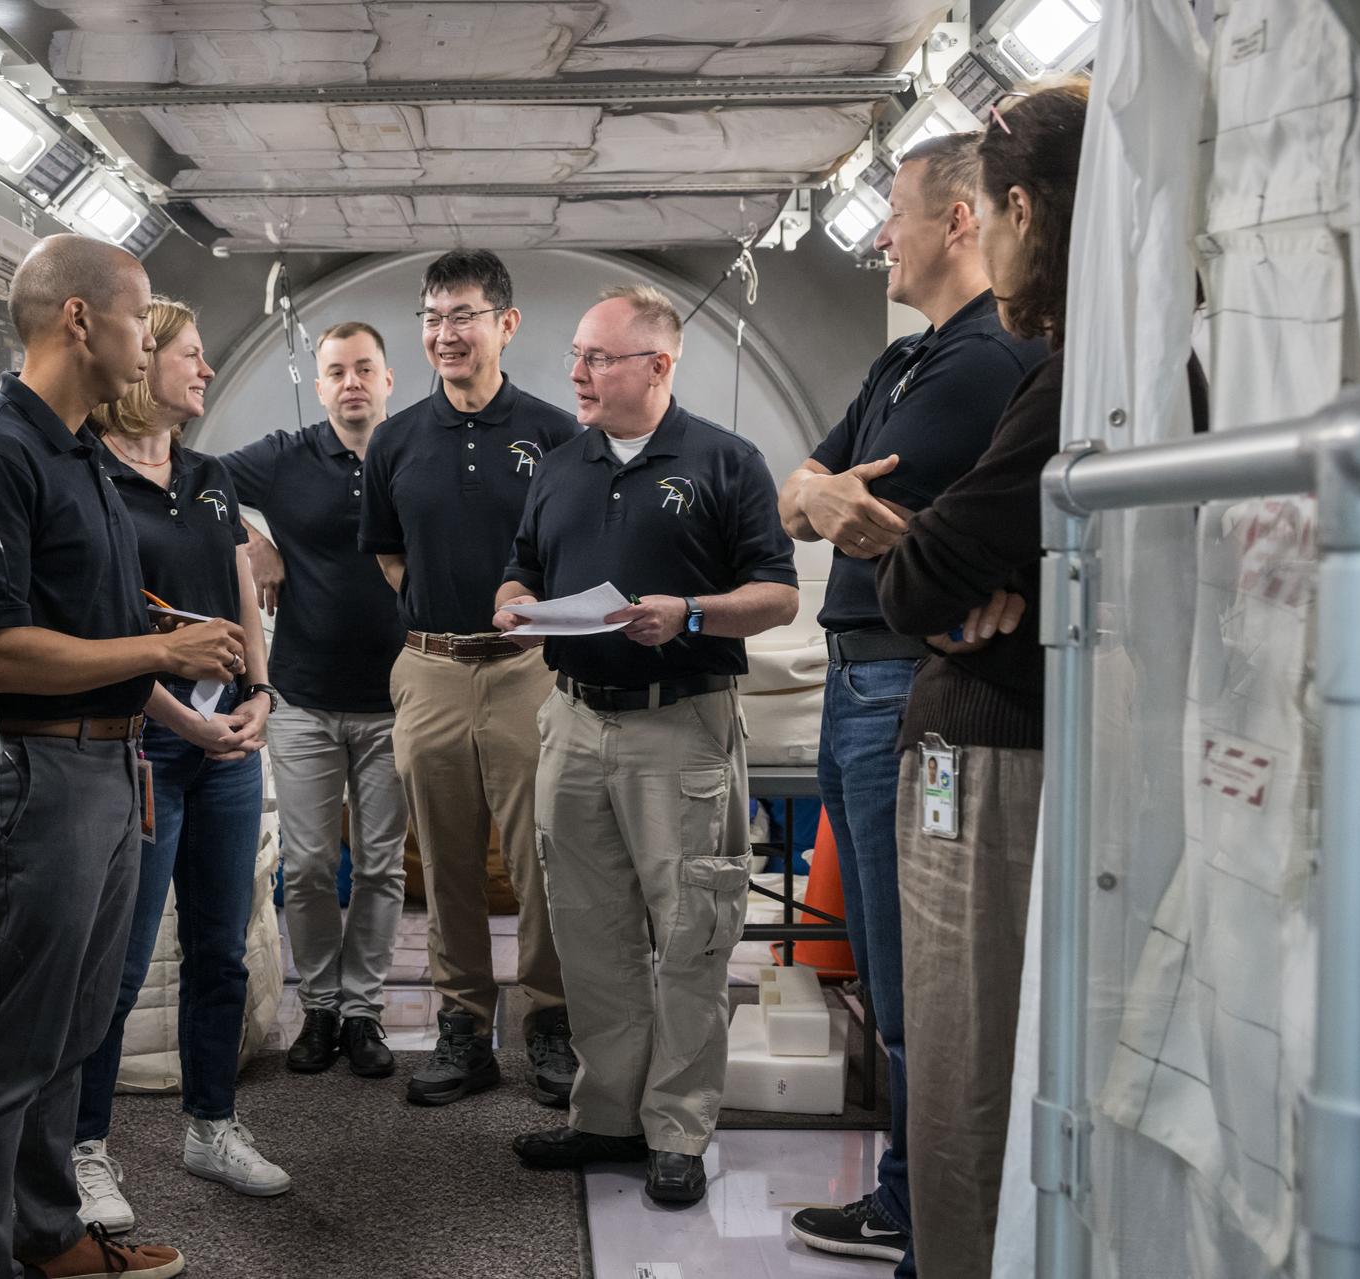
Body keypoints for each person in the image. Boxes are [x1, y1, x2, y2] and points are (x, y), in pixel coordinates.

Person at [879, 81, 1206, 1279]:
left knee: (967, 1062)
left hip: (1000, 756)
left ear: (1019, 211)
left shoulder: (1078, 376)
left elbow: (921, 575)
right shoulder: (1124, 360)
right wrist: (975, 567)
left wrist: (927, 560)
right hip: (1034, 742)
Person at [0, 237, 245, 1279]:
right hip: (36, 775)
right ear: (78, 318)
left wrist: (158, 658)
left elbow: (98, 619)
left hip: (108, 766)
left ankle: (49, 1234)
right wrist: (162, 652)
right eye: (138, 315)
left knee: (69, 1029)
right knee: (9, 1045)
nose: (148, 339)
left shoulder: (77, 453)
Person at [777, 132, 1049, 1270]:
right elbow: (797, 493)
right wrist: (825, 497)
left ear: (962, 220)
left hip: (906, 680)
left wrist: (849, 510)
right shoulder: (904, 361)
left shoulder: (988, 362)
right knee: (888, 956)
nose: (879, 235)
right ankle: (907, 1193)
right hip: (860, 676)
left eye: (894, 212)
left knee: (913, 971)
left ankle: (919, 1204)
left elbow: (923, 543)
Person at [495, 285, 799, 1205]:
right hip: (574, 720)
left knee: (692, 932)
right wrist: (513, 603)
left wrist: (692, 612)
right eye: (576, 356)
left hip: (682, 723)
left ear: (658, 365)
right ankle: (607, 1116)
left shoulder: (724, 460)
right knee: (590, 932)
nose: (577, 373)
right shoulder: (561, 464)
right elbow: (522, 566)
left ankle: (677, 1127)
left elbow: (779, 594)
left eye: (597, 357)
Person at [70, 296, 290, 1230]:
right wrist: (180, 721)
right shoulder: (88, 473)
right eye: (191, 355)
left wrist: (261, 692)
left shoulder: (207, 474)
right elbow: (102, 624)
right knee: (119, 962)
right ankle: (84, 1146)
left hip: (226, 741)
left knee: (220, 947)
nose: (205, 370)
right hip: (146, 738)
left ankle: (212, 1124)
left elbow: (240, 590)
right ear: (143, 360)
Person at [359, 249, 579, 1107]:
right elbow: (388, 554)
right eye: (432, 317)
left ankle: (551, 1019)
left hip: (528, 670)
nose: (444, 333)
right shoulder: (395, 440)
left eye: (463, 316)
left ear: (505, 324)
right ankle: (462, 1024)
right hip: (431, 669)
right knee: (444, 861)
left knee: (541, 858)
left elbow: (574, 552)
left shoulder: (557, 434)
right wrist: (434, 615)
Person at [218, 321, 410, 1079]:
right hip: (302, 698)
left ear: (388, 380)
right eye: (336, 371)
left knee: (382, 866)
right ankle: (321, 1006)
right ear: (320, 384)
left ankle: (363, 1010)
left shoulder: (414, 452)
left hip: (397, 697)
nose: (351, 382)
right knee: (305, 866)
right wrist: (252, 540)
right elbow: (191, 479)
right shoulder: (285, 457)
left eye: (364, 368)